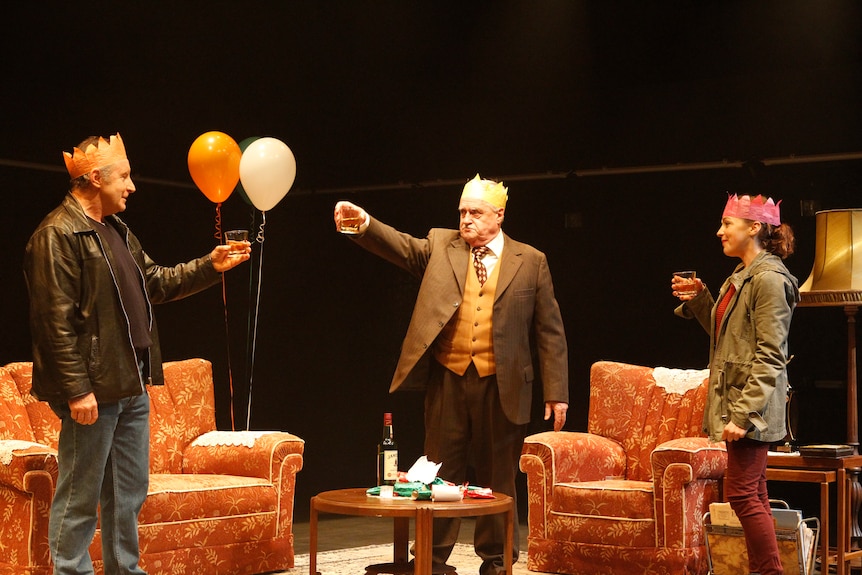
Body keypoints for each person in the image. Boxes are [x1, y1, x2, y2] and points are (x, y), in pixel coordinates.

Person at [23, 133, 250, 575]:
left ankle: (125, 570)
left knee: (127, 495)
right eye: (124, 176)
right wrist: (76, 390)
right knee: (80, 495)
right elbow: (54, 322)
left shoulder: (117, 231)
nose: (132, 186)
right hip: (93, 389)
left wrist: (210, 265)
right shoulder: (57, 234)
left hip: (131, 383)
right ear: (94, 178)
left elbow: (156, 282)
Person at [333, 174, 569, 575]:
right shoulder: (443, 246)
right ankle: (430, 557)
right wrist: (364, 224)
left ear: (499, 215)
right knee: (439, 472)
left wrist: (557, 391)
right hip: (448, 378)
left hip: (503, 382)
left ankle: (497, 559)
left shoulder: (530, 260)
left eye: (475, 212)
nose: (466, 219)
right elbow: (401, 247)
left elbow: (549, 330)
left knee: (499, 476)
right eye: (462, 211)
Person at [672, 193, 799, 575]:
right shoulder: (742, 276)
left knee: (742, 495)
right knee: (753, 493)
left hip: (752, 407)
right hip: (742, 402)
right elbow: (726, 339)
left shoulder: (770, 280)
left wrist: (744, 415)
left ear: (755, 228)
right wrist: (701, 300)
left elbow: (771, 355)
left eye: (728, 223)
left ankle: (769, 571)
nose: (720, 231)